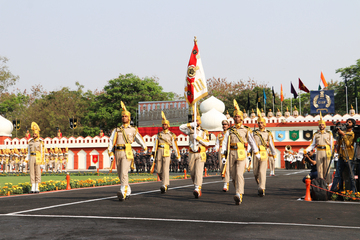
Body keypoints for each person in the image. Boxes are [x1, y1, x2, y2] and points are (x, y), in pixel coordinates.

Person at [221, 100, 260, 205]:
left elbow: (251, 142)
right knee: (233, 177)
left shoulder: (246, 130)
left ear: (241, 118)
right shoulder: (230, 130)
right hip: (231, 154)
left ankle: (239, 194)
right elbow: (225, 142)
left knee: (239, 174)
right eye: (235, 117)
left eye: (238, 116)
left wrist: (256, 153)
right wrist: (223, 154)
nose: (236, 118)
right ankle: (238, 191)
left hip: (241, 153)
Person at [108, 101, 147, 201]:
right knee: (120, 173)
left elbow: (139, 139)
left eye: (125, 116)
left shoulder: (133, 129)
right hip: (118, 152)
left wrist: (144, 147)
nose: (123, 118)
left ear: (129, 118)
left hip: (127, 152)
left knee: (124, 172)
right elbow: (111, 140)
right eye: (122, 116)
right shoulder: (117, 129)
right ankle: (127, 189)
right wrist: (110, 152)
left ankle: (123, 192)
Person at [179, 107, 209, 198]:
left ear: (200, 121)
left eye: (197, 120)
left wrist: (198, 138)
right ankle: (196, 185)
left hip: (200, 153)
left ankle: (197, 188)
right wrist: (192, 124)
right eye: (194, 120)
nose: (196, 121)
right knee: (192, 172)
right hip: (192, 153)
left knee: (199, 171)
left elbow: (207, 143)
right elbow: (180, 127)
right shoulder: (190, 130)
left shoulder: (204, 132)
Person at [150, 111, 180, 193]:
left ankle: (164, 185)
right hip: (159, 151)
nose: (164, 126)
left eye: (165, 124)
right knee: (159, 170)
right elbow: (155, 145)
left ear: (168, 125)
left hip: (167, 151)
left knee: (166, 169)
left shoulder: (171, 135)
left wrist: (178, 156)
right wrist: (152, 155)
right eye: (163, 124)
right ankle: (164, 180)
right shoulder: (159, 135)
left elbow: (174, 146)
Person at [252, 109, 276, 196]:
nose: (260, 124)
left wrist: (274, 154)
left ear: (264, 124)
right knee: (255, 173)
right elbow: (251, 143)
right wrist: (248, 154)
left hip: (264, 153)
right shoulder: (254, 133)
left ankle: (262, 188)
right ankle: (259, 185)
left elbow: (271, 144)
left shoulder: (268, 133)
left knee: (262, 171)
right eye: (259, 123)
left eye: (261, 123)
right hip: (255, 153)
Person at [305, 112, 333, 184]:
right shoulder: (316, 134)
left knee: (327, 168)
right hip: (319, 151)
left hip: (327, 151)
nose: (321, 126)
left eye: (322, 124)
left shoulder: (329, 133)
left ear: (325, 125)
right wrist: (306, 149)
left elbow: (331, 145)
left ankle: (327, 183)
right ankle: (321, 183)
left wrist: (332, 153)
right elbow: (312, 144)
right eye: (320, 125)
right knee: (319, 168)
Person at [330, 118, 356, 192]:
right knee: (337, 175)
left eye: (349, 122)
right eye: (347, 122)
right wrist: (339, 134)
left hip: (349, 157)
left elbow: (348, 144)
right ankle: (333, 191)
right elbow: (339, 144)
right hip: (341, 156)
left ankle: (353, 192)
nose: (347, 123)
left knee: (351, 176)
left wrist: (343, 135)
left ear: (353, 125)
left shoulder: (352, 134)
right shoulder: (343, 132)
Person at [27, 122, 45, 193]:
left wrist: (42, 162)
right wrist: (26, 160)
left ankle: (37, 187)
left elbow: (42, 153)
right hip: (31, 157)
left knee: (37, 172)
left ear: (37, 135)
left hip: (37, 158)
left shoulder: (40, 142)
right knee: (32, 172)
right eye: (33, 134)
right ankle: (33, 187)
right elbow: (28, 152)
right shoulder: (30, 142)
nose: (34, 135)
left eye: (35, 134)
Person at [215, 119, 230, 191]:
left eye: (225, 124)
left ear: (228, 125)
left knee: (227, 167)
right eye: (223, 124)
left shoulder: (230, 133)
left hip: (229, 150)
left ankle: (226, 183)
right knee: (222, 167)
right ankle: (225, 182)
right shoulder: (219, 135)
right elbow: (217, 143)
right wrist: (216, 148)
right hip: (221, 151)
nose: (224, 126)